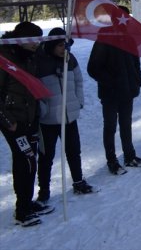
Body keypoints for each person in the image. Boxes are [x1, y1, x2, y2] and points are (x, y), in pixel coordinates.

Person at [0, 22, 54, 226]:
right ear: (21, 39)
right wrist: (9, 122)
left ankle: (27, 202)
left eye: (39, 39)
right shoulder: (4, 58)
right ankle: (21, 210)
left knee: (31, 162)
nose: (36, 44)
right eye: (32, 40)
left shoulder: (29, 56)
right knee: (26, 161)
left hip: (30, 118)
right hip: (14, 121)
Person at [87, 6, 141, 175]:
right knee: (110, 127)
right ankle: (112, 161)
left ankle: (129, 156)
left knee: (126, 125)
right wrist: (111, 82)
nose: (126, 20)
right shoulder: (104, 38)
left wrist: (138, 78)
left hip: (128, 91)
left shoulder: (129, 38)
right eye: (123, 17)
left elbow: (136, 62)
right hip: (110, 94)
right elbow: (93, 68)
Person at [36, 28, 94, 204]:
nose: (64, 48)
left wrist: (78, 101)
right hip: (49, 119)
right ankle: (44, 190)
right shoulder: (39, 62)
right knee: (46, 156)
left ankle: (78, 181)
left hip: (69, 116)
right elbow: (35, 90)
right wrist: (43, 109)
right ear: (53, 44)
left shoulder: (70, 58)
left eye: (66, 45)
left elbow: (78, 81)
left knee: (73, 150)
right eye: (61, 45)